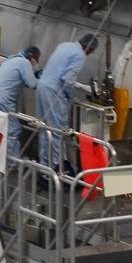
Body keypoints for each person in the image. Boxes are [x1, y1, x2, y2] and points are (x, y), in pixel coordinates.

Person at [37, 34, 98, 170]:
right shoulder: (80, 55)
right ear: (88, 47)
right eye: (91, 51)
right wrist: (69, 96)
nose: (90, 54)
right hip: (54, 91)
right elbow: (67, 79)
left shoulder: (64, 45)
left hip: (42, 86)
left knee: (44, 128)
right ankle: (56, 168)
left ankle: (44, 165)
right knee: (57, 131)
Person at [0, 46, 41, 157]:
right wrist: (45, 81)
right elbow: (32, 83)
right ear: (31, 56)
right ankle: (13, 163)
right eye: (36, 58)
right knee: (14, 130)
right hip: (2, 99)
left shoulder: (11, 60)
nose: (37, 62)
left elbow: (17, 79)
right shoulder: (25, 63)